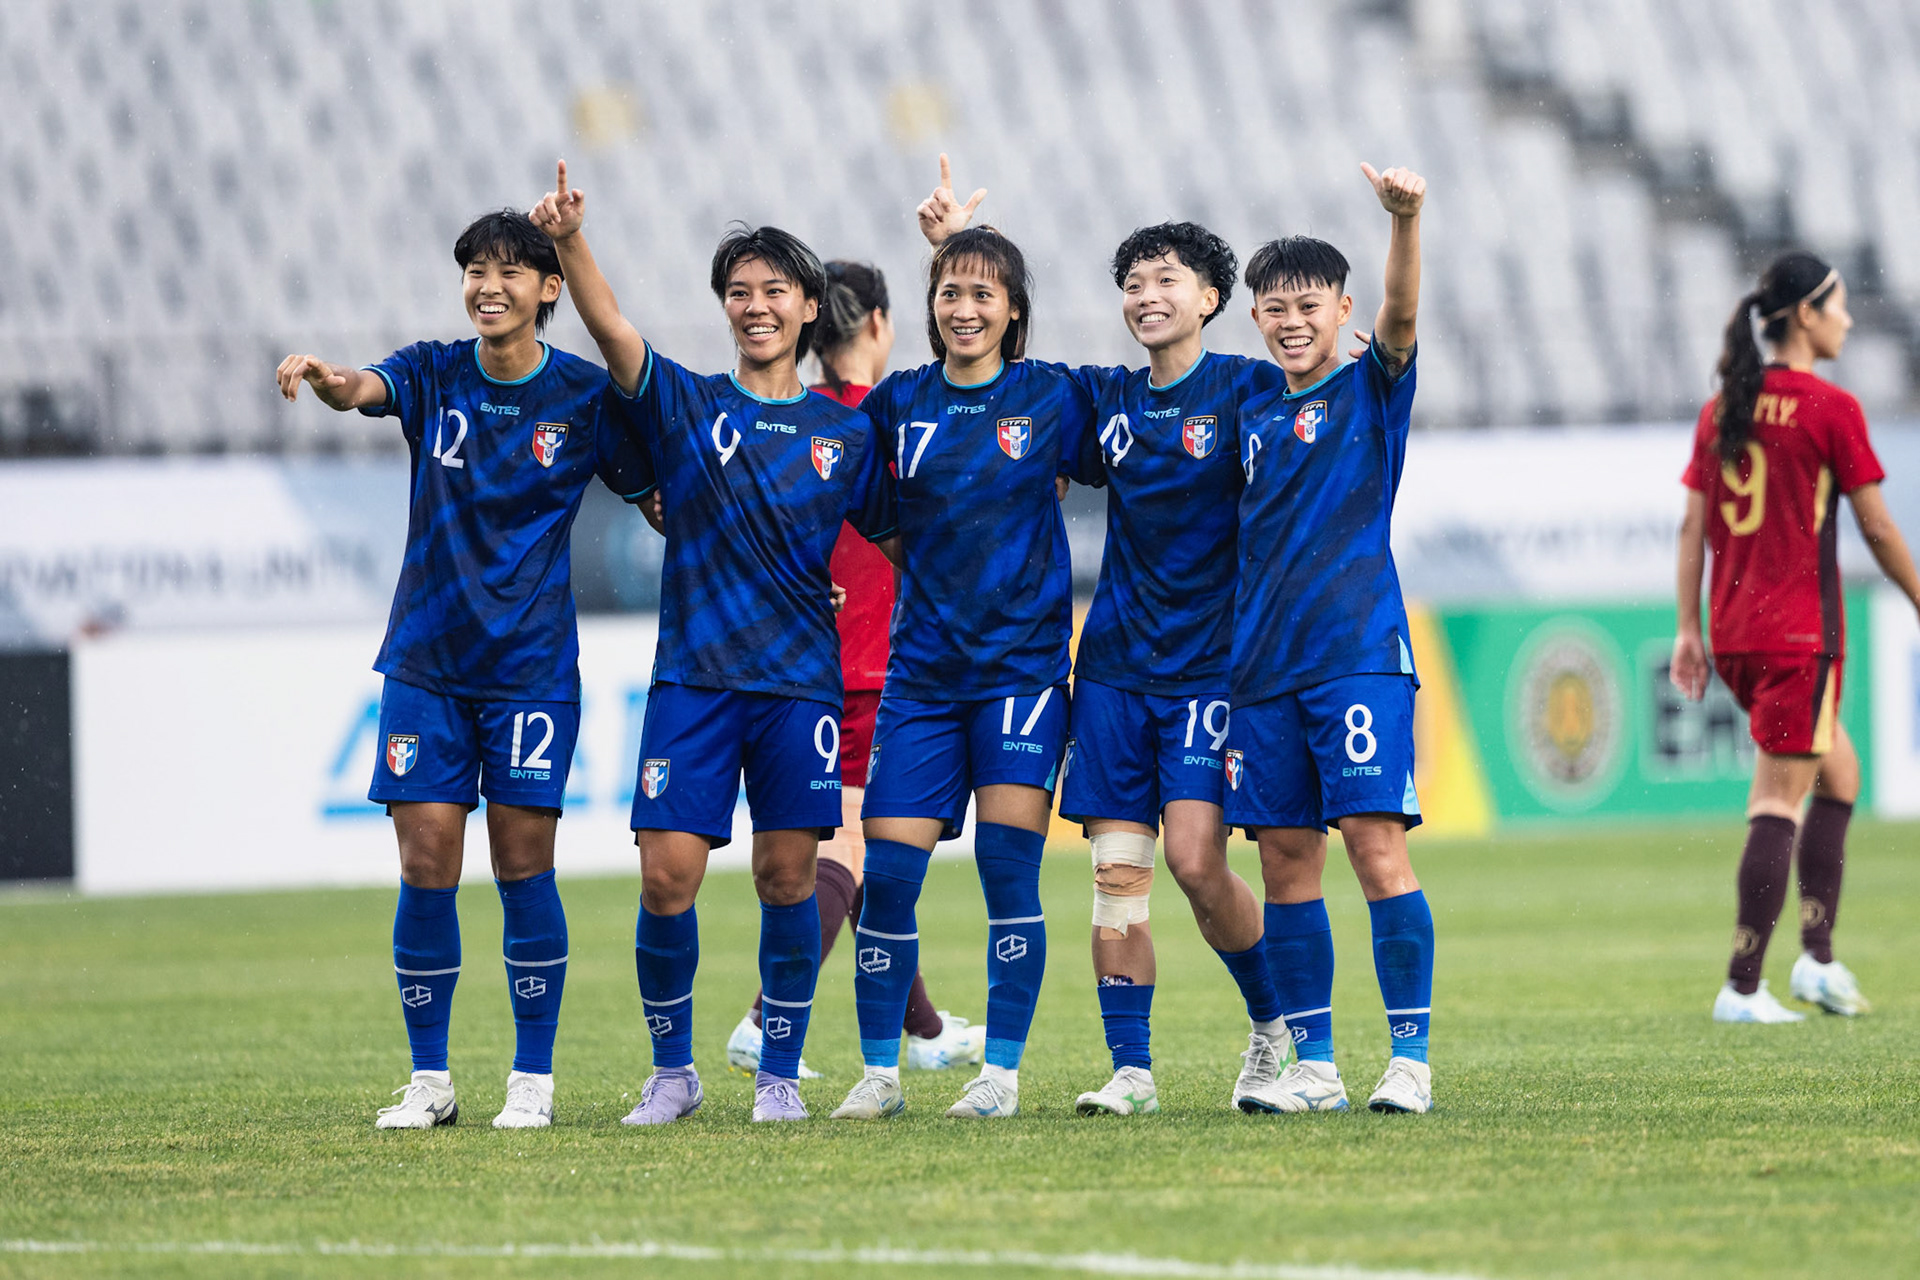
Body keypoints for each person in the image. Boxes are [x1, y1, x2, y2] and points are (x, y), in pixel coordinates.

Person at [529, 162, 895, 1123]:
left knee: (785, 878)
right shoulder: (689, 405)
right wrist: (569, 241)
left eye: (775, 290)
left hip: (799, 690)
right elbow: (613, 332)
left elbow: (906, 543)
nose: (756, 306)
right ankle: (673, 1073)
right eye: (739, 292)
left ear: (809, 307)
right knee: (666, 875)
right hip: (694, 681)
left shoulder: (844, 436)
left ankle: (779, 1074)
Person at [275, 209, 654, 1130]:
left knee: (525, 866)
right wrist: (328, 379)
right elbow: (362, 387)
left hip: (529, 672)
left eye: (507, 272)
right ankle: (431, 1082)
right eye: (473, 271)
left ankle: (531, 1082)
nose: (487, 286)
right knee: (426, 859)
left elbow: (657, 501)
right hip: (427, 663)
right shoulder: (436, 369)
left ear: (548, 288)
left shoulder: (583, 395)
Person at [830, 160, 1100, 1122]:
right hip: (924, 680)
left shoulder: (1056, 399)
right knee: (891, 872)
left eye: (983, 293)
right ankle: (879, 1074)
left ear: (1015, 312)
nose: (963, 307)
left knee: (1006, 872)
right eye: (949, 290)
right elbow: (879, 523)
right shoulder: (900, 406)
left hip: (1024, 676)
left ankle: (1002, 1074)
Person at [724, 260, 986, 1076]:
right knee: (846, 849)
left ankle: (927, 1030)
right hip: (871, 669)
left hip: (795, 663)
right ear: (879, 321)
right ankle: (765, 1019)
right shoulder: (883, 428)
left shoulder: (790, 419)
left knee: (870, 856)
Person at [1226, 164, 1436, 1116]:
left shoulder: (1370, 391)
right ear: (1257, 319)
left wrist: (1404, 222)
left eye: (1308, 304)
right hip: (1262, 673)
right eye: (1274, 308)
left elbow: (1399, 319)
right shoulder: (1252, 412)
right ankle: (1314, 1066)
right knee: (1283, 864)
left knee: (1374, 847)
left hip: (1356, 657)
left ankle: (1410, 1060)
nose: (1291, 321)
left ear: (1340, 306)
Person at [1673, 251, 1920, 1022]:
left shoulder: (1725, 409)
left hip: (1739, 633)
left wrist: (1688, 628)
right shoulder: (1827, 408)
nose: (1848, 318)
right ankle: (1742, 986)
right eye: (1840, 305)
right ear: (1807, 316)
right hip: (1798, 636)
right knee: (1778, 801)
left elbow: (1692, 523)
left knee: (1838, 775)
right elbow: (1876, 525)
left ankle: (1817, 962)